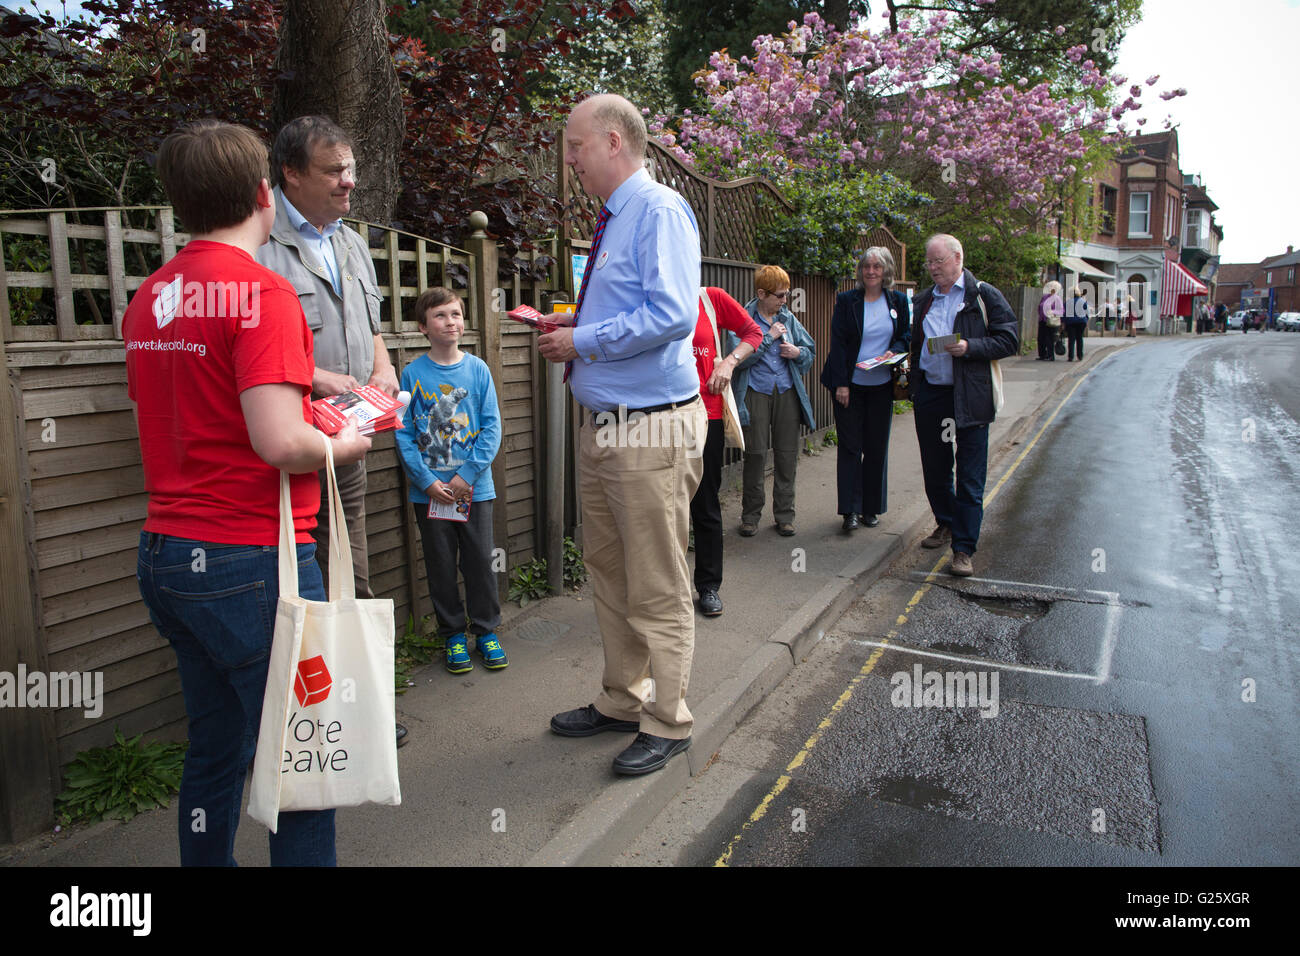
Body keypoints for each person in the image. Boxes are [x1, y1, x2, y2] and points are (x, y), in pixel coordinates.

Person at [126, 120, 372, 865]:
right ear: (265, 193)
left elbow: (201, 408)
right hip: (250, 562)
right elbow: (280, 443)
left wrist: (311, 392)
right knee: (303, 768)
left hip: (168, 557)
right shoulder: (261, 293)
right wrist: (349, 441)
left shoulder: (153, 296)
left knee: (216, 748)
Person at [537, 94, 706, 776]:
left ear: (613, 141)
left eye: (576, 146)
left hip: (649, 432)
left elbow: (672, 315)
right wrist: (574, 332)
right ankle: (622, 698)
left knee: (656, 583)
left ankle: (669, 720)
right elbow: (635, 307)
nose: (570, 159)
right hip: (607, 427)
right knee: (609, 573)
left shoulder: (659, 210)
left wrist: (584, 339)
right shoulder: (617, 217)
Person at [255, 116, 408, 748]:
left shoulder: (349, 241)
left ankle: (363, 704)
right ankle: (306, 721)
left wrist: (382, 368)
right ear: (290, 173)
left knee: (354, 570)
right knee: (299, 580)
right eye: (333, 171)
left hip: (351, 438)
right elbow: (252, 345)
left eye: (351, 168)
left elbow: (368, 324)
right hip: (288, 446)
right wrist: (316, 378)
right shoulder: (259, 243)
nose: (350, 182)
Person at [395, 287, 505, 673]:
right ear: (423, 326)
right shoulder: (411, 373)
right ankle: (453, 635)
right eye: (440, 316)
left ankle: (486, 630)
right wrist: (426, 481)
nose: (450, 322)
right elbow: (404, 433)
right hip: (431, 495)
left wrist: (467, 475)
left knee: (479, 562)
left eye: (456, 314)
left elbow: (492, 427)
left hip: (475, 491)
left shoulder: (478, 370)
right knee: (440, 565)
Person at [908, 234, 1019, 577]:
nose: (933, 268)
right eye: (929, 262)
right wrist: (913, 384)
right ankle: (945, 523)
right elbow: (916, 343)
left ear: (958, 258)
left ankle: (963, 549)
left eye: (938, 261)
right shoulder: (925, 300)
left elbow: (1009, 338)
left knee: (970, 477)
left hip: (969, 397)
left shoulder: (982, 295)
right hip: (933, 396)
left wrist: (971, 346)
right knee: (936, 471)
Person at [820, 247, 910, 532]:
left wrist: (892, 352)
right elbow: (838, 344)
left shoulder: (897, 301)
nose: (871, 271)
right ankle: (850, 510)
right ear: (860, 271)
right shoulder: (847, 300)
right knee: (849, 447)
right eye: (866, 266)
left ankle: (871, 508)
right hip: (851, 386)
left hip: (882, 386)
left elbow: (906, 336)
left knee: (876, 448)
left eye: (877, 266)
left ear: (886, 271)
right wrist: (842, 384)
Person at [690, 287, 761, 616]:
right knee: (664, 511)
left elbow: (752, 332)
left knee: (705, 504)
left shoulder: (709, 298)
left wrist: (729, 363)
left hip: (707, 415)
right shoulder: (649, 298)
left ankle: (708, 586)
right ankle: (667, 593)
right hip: (660, 420)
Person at [732, 265, 817, 537]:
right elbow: (740, 359)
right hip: (755, 391)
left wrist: (797, 352)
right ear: (761, 293)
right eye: (779, 295)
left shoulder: (788, 319)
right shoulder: (743, 319)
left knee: (787, 455)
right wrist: (768, 338)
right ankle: (750, 516)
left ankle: (784, 515)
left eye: (786, 295)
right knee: (755, 455)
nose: (784, 300)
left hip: (786, 391)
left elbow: (810, 351)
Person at [1037, 280, 1063, 360]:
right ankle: (1042, 355)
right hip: (1042, 320)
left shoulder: (1057, 299)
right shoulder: (1045, 297)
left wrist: (1052, 312)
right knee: (1041, 338)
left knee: (1049, 339)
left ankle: (1050, 355)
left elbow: (1061, 311)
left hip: (1051, 321)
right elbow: (1039, 307)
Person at [1064, 285, 1088, 361]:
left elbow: (1064, 313)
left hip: (1071, 322)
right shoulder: (1083, 301)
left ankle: (1070, 357)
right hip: (1081, 322)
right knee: (1079, 338)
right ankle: (1080, 356)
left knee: (1071, 339)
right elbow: (1086, 312)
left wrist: (1063, 322)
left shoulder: (1068, 302)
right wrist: (1086, 320)